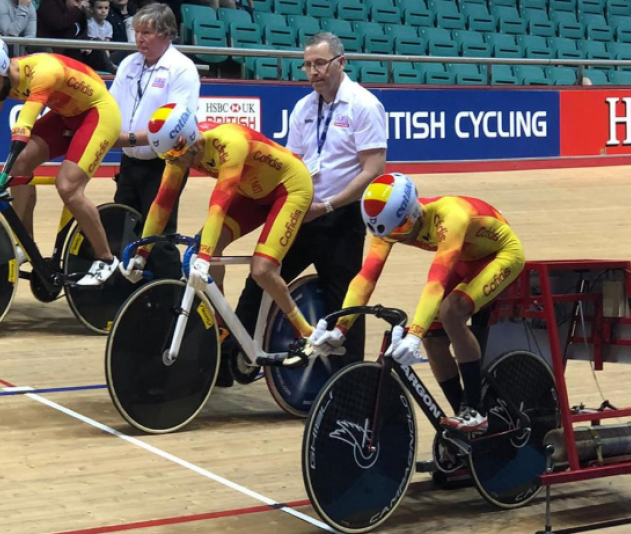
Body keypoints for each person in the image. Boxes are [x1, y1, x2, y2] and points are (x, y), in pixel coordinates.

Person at [226, 32, 387, 385]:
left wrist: (329, 204)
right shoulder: (303, 107)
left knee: (343, 303)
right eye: (308, 64)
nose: (312, 71)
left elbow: (374, 169)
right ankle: (232, 359)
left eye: (319, 63)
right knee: (261, 276)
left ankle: (347, 383)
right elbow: (293, 164)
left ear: (340, 63)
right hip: (302, 213)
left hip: (341, 217)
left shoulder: (364, 105)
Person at [310, 172, 526, 434]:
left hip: (501, 254)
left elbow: (435, 282)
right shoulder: (389, 226)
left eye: (401, 229)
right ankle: (463, 416)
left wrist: (412, 333)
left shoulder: (450, 216)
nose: (398, 237)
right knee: (432, 339)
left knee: (451, 313)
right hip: (467, 255)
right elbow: (366, 277)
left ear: (415, 212)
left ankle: (477, 413)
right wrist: (340, 327)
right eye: (391, 233)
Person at [121, 104, 316, 360]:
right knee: (201, 251)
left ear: (190, 139)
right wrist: (142, 252)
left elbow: (219, 204)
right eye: (166, 156)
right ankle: (223, 325)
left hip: (289, 188)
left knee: (262, 269)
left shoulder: (229, 142)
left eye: (176, 153)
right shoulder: (178, 152)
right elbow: (162, 202)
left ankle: (307, 332)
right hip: (251, 193)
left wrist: (204, 258)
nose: (174, 161)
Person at [0, 35, 122, 286]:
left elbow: (26, 119)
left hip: (98, 113)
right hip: (66, 115)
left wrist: (19, 137)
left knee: (67, 186)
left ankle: (106, 258)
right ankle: (25, 244)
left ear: (1, 67)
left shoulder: (43, 71)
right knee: (19, 166)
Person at [109, 2, 199, 279]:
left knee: (158, 238)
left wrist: (128, 138)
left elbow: (176, 127)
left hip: (165, 165)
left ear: (166, 34)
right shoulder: (128, 63)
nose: (139, 38)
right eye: (136, 31)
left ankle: (172, 298)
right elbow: (111, 107)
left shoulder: (182, 69)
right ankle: (132, 297)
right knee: (123, 230)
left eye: (146, 32)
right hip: (129, 162)